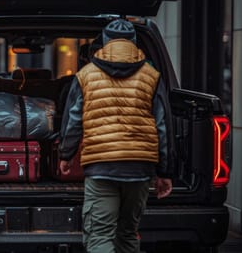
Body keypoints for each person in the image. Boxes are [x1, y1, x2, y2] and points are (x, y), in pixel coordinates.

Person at [58, 19, 173, 253]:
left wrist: (66, 155)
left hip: (102, 167)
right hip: (140, 168)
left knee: (100, 234)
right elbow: (162, 126)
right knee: (128, 233)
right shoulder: (152, 76)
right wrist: (164, 171)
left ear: (104, 42)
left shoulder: (85, 75)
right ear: (133, 43)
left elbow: (73, 121)